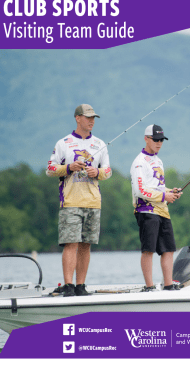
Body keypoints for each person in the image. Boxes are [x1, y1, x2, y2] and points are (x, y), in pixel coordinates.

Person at [46, 104, 112, 297]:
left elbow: (108, 171)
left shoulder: (100, 144)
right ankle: (68, 285)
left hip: (93, 201)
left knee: (86, 245)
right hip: (70, 200)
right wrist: (69, 167)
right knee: (71, 243)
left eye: (94, 118)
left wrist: (97, 172)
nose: (91, 121)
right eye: (88, 117)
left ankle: (80, 285)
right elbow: (50, 169)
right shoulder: (63, 143)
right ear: (77, 118)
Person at [130, 124, 182, 291]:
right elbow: (140, 190)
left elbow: (157, 186)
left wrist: (171, 191)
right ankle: (149, 286)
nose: (159, 143)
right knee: (148, 250)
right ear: (146, 139)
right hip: (146, 211)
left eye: (161, 140)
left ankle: (168, 285)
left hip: (162, 211)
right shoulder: (139, 162)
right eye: (156, 140)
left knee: (169, 249)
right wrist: (164, 196)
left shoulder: (158, 160)